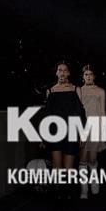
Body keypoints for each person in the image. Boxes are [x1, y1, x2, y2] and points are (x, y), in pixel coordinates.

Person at [42, 61, 85, 199]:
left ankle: (68, 194)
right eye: (59, 70)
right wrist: (43, 136)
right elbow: (47, 116)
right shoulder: (50, 91)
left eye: (65, 70)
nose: (62, 72)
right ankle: (59, 195)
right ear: (56, 73)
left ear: (69, 73)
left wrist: (82, 133)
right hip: (54, 132)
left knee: (68, 168)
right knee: (57, 167)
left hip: (71, 131)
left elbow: (81, 113)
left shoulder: (76, 89)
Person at [77, 65, 106, 198]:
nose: (88, 76)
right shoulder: (79, 91)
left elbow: (103, 111)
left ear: (94, 76)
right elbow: (77, 111)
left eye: (90, 74)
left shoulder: (100, 91)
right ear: (83, 77)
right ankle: (84, 189)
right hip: (83, 127)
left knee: (92, 159)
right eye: (86, 74)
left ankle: (94, 182)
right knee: (83, 160)